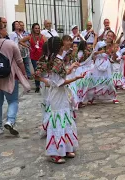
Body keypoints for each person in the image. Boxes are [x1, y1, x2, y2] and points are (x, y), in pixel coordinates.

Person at [35, 36, 86, 164]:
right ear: (60, 46)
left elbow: (59, 76)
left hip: (60, 94)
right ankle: (55, 151)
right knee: (58, 121)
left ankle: (66, 148)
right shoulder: (57, 61)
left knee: (65, 119)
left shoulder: (56, 59)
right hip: (58, 94)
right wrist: (76, 78)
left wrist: (72, 68)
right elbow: (60, 82)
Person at [20, 23, 47, 93]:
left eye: (38, 28)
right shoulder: (30, 36)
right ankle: (37, 86)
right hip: (34, 56)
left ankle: (43, 84)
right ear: (33, 29)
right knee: (36, 71)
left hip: (42, 56)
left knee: (43, 70)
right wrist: (28, 46)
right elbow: (21, 41)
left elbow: (47, 44)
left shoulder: (42, 36)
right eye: (36, 28)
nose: (37, 29)